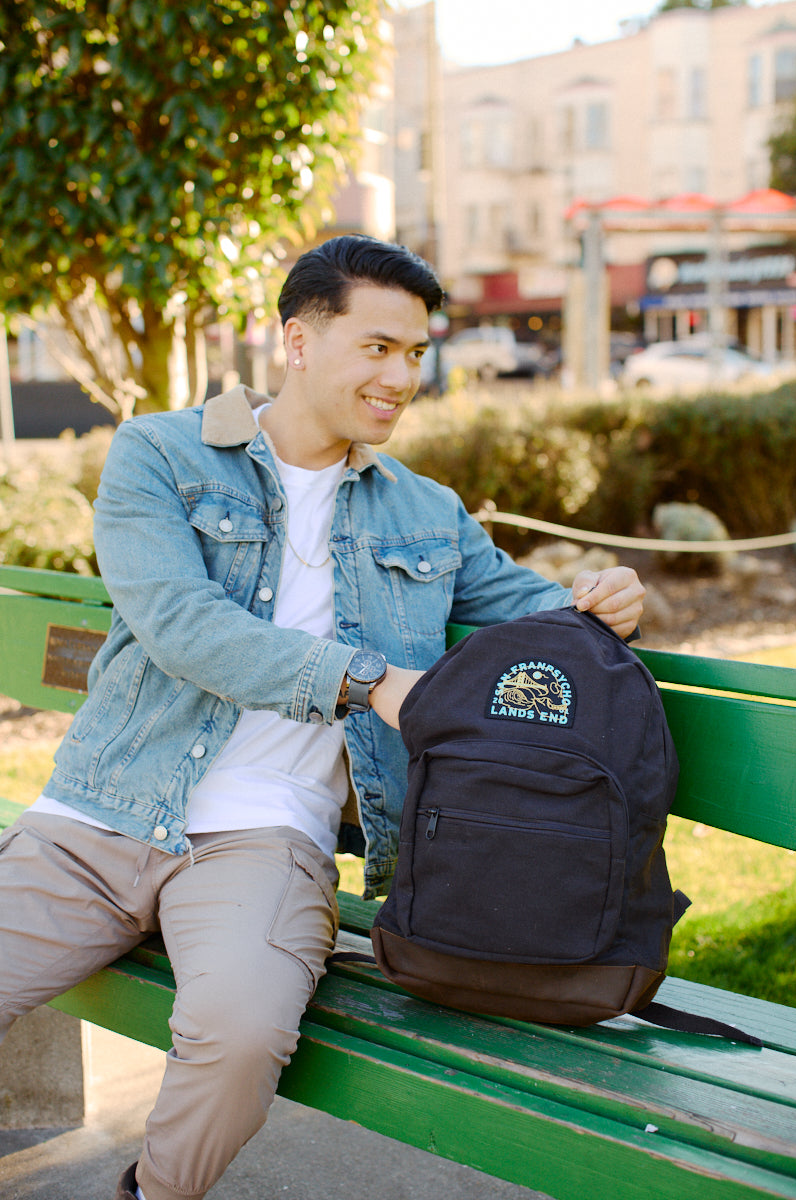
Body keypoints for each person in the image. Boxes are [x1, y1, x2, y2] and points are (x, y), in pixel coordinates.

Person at [0, 235, 645, 1200]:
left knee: (242, 1033)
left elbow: (541, 620)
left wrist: (608, 597)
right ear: (297, 342)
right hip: (105, 815)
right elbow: (182, 625)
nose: (403, 376)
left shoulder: (426, 513)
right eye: (378, 348)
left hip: (267, 838)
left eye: (417, 354)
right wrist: (365, 678)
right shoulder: (160, 456)